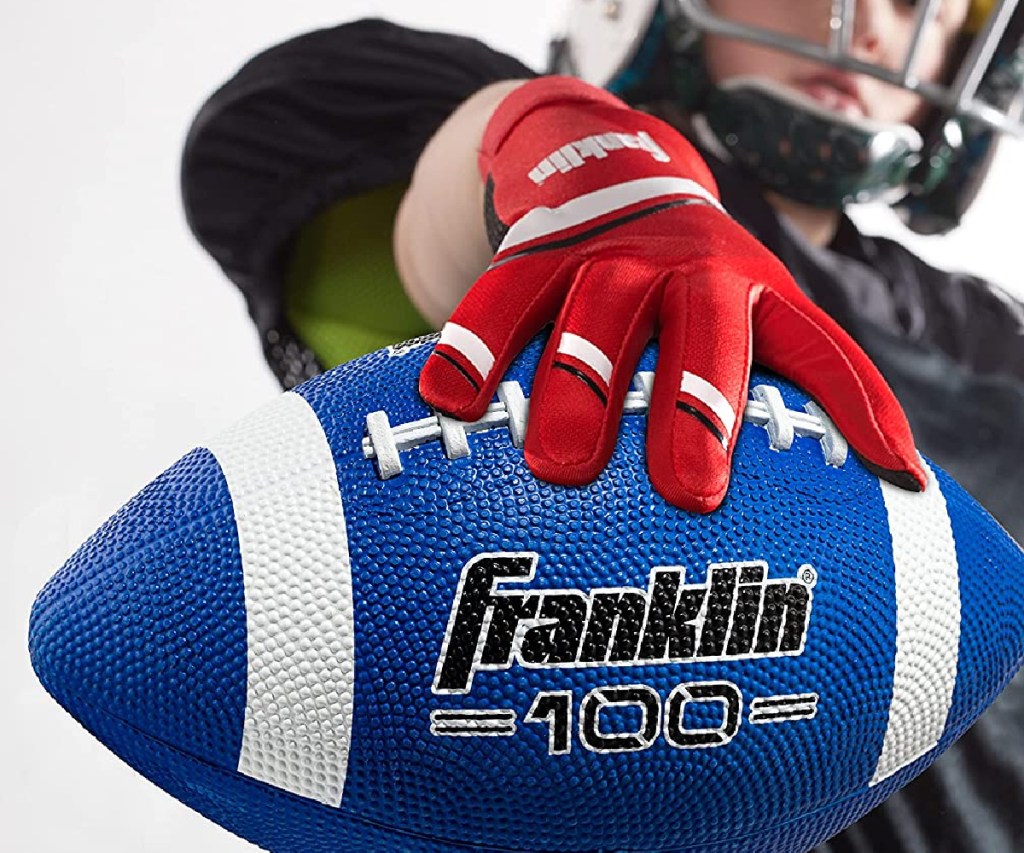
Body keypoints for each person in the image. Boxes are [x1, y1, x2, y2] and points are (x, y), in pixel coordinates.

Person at [180, 1, 1024, 849]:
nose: (871, 26)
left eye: (923, 3)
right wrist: (581, 160)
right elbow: (301, 145)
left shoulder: (992, 335)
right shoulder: (519, 163)